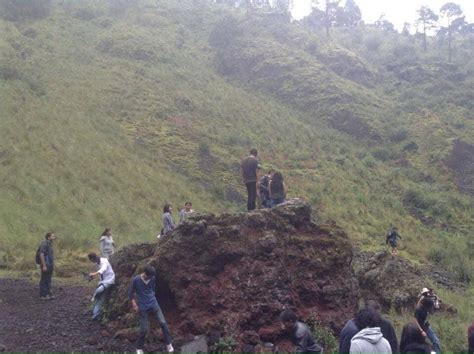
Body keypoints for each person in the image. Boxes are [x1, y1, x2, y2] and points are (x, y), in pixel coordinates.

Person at [128, 265, 174, 353]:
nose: (150, 278)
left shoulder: (152, 278)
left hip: (154, 304)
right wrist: (134, 304)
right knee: (144, 328)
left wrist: (151, 296)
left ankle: (169, 343)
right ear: (145, 273)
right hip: (143, 307)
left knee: (163, 323)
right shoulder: (136, 280)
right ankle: (139, 347)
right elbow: (130, 293)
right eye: (149, 276)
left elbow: (152, 289)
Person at [88, 252, 115, 320]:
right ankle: (95, 314)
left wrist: (94, 274)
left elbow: (103, 269)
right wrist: (92, 277)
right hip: (103, 281)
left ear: (93, 259)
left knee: (99, 290)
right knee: (100, 299)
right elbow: (101, 274)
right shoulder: (98, 263)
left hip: (109, 280)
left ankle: (94, 297)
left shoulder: (104, 261)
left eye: (91, 260)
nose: (92, 262)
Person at [38, 232, 57, 300]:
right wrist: (44, 265)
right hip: (46, 264)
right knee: (44, 279)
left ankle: (48, 293)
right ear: (48, 237)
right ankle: (43, 295)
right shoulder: (44, 244)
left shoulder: (50, 244)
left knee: (48, 279)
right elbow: (41, 254)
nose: (54, 237)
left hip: (50, 265)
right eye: (53, 236)